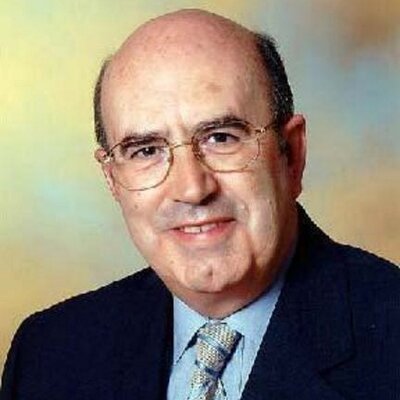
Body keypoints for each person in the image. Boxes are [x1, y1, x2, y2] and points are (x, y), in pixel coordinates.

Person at [1, 9, 399, 400]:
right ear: (112, 179)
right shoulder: (47, 355)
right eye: (146, 150)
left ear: (291, 155)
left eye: (221, 137)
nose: (192, 189)